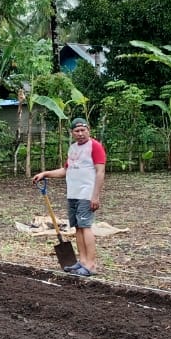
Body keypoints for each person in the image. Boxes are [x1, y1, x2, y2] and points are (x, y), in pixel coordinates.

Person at [31, 117, 106, 277]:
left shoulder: (95, 146)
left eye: (83, 130)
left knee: (85, 227)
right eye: (77, 131)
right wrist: (45, 174)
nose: (80, 133)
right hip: (73, 194)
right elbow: (66, 170)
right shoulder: (73, 148)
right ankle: (82, 261)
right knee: (77, 227)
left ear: (88, 130)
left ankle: (91, 265)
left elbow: (100, 172)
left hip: (86, 194)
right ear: (72, 133)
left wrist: (95, 196)